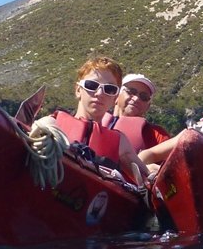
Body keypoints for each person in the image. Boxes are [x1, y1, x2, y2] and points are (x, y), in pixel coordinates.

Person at [54, 56, 150, 187]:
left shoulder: (120, 143)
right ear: (78, 90)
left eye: (109, 89)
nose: (99, 93)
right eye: (92, 85)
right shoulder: (51, 124)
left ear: (115, 97)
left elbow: (148, 180)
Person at [102, 73, 172, 152]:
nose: (136, 99)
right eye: (131, 92)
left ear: (147, 107)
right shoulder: (97, 124)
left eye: (143, 97)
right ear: (117, 95)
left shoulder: (158, 136)